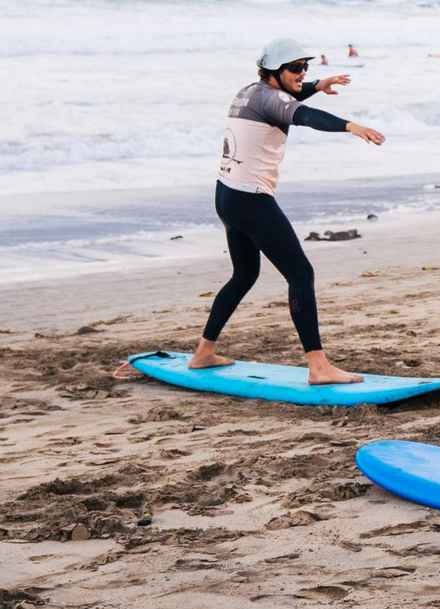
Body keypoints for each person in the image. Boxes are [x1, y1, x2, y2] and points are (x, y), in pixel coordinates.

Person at [116, 39, 385, 384]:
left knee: (244, 275)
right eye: (295, 69)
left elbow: (288, 99)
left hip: (227, 196)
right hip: (252, 200)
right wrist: (351, 126)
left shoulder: (250, 93)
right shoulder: (274, 99)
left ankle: (203, 353)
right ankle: (318, 366)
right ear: (274, 72)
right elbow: (302, 115)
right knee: (300, 275)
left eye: (305, 68)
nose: (301, 74)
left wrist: (317, 86)